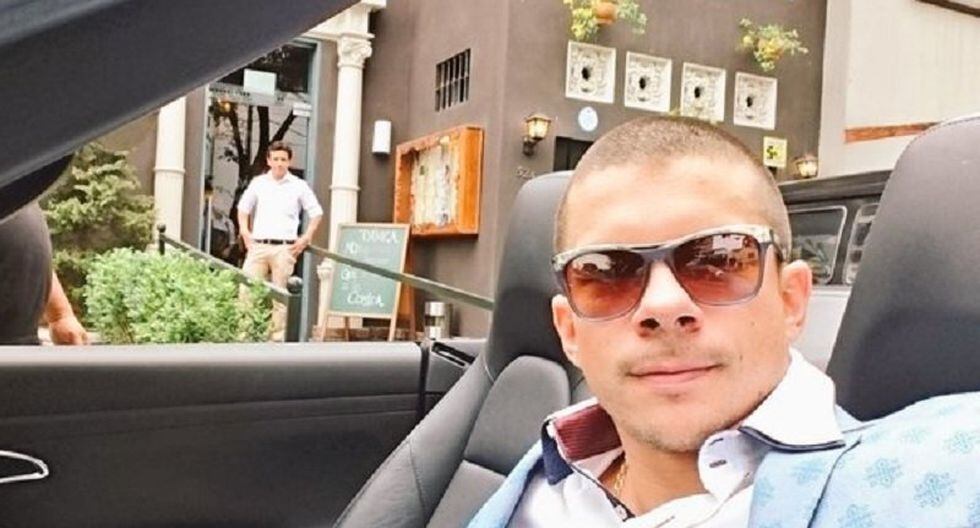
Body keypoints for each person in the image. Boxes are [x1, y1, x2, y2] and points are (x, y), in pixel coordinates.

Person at [468, 117, 980, 527]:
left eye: (718, 260)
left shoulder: (936, 472)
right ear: (569, 331)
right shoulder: (539, 485)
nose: (663, 306)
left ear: (791, 301)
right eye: (606, 272)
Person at [237, 141, 322, 337]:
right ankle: (244, 337)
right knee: (247, 291)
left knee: (281, 298)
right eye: (275, 159)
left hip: (284, 248)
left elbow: (316, 212)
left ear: (289, 161)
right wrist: (245, 232)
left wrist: (306, 237)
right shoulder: (259, 183)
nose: (279, 163)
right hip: (259, 246)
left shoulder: (299, 186)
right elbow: (243, 208)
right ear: (269, 161)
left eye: (283, 159)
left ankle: (276, 341)